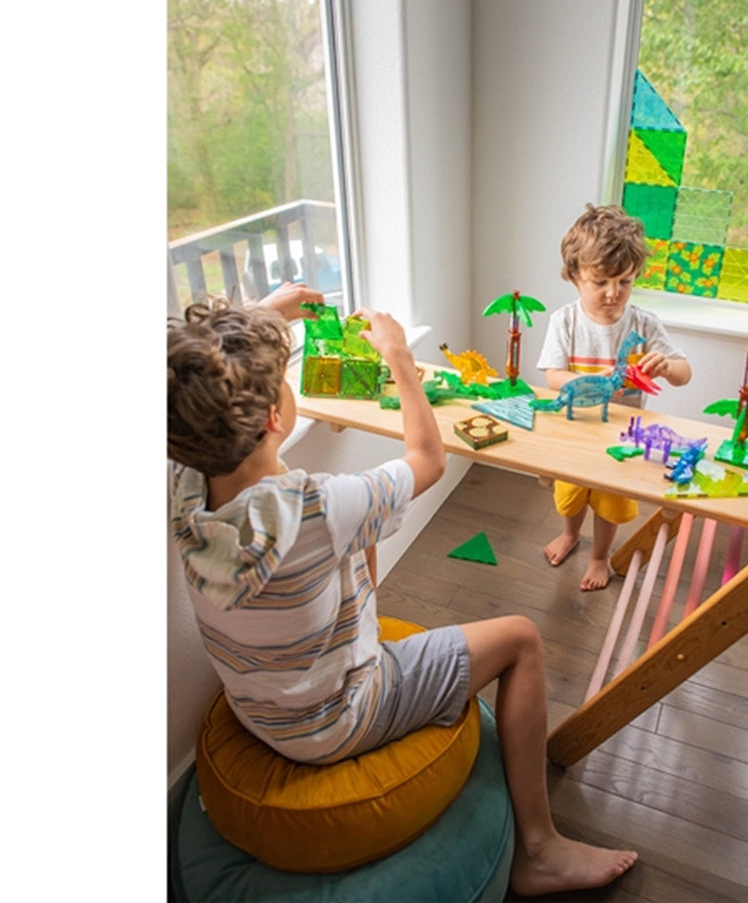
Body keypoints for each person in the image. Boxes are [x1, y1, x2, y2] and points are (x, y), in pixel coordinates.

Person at [167, 294, 638, 898]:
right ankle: (541, 849)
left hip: (258, 708)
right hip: (338, 720)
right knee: (521, 638)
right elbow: (427, 459)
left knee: (364, 539)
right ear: (274, 419)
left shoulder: (184, 488)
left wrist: (268, 314)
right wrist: (399, 360)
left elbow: (187, 383)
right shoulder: (319, 507)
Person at [536, 203, 692, 591]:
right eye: (600, 282)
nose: (613, 293)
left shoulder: (644, 324)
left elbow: (684, 374)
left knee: (608, 501)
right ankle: (570, 534)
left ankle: (599, 556)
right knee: (573, 493)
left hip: (622, 436)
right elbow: (553, 377)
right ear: (575, 276)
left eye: (625, 281)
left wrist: (667, 366)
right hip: (575, 431)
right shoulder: (565, 321)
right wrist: (588, 382)